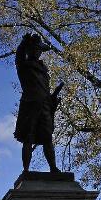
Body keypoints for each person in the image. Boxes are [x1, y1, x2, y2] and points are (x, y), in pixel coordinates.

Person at [14, 33, 61, 173]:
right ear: (29, 50)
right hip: (30, 105)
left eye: (39, 49)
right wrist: (23, 43)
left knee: (47, 138)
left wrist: (53, 97)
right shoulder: (24, 66)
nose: (37, 51)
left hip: (45, 105)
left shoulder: (44, 70)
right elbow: (19, 57)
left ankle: (53, 167)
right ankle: (26, 170)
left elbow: (44, 89)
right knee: (28, 137)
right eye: (34, 48)